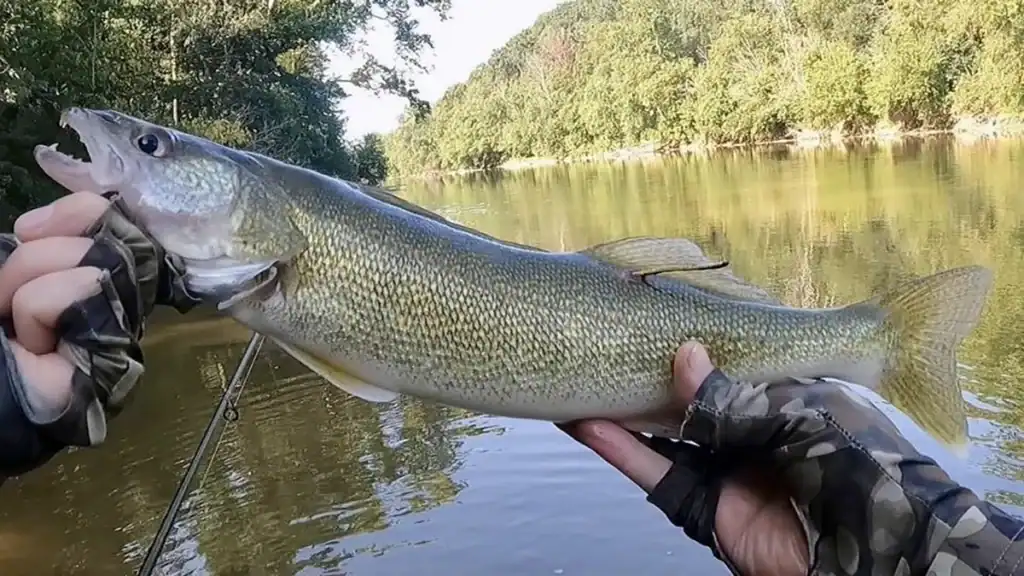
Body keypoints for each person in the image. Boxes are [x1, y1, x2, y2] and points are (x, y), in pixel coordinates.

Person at [2, 192, 1023, 575]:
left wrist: (887, 536)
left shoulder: (286, 257)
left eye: (149, 152)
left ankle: (875, 340)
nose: (127, 162)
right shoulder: (265, 273)